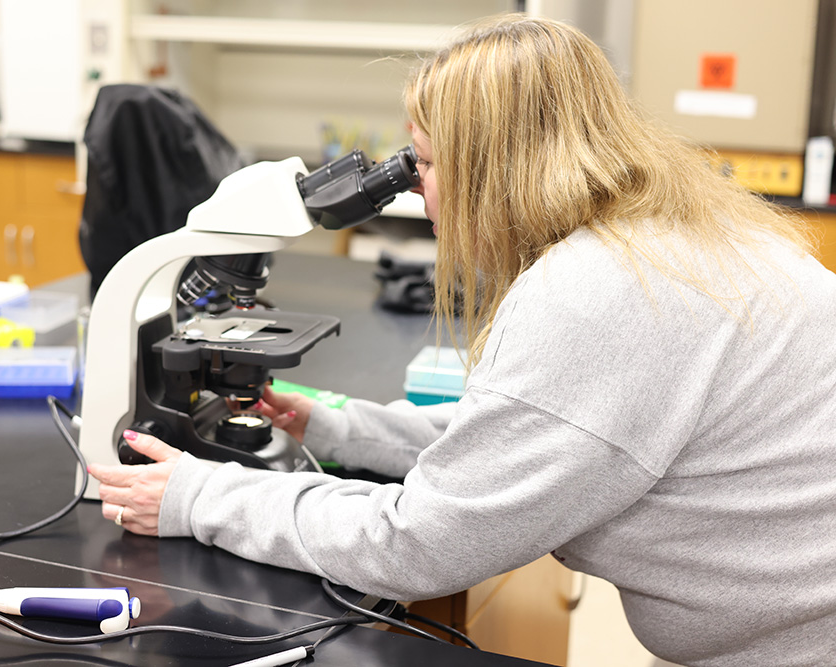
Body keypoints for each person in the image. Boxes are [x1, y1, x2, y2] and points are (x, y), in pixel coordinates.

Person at [88, 14, 836, 665]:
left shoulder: (599, 292)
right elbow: (544, 427)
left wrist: (201, 495)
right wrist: (342, 427)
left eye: (431, 161)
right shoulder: (659, 235)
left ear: (498, 168)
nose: (415, 185)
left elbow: (419, 546)